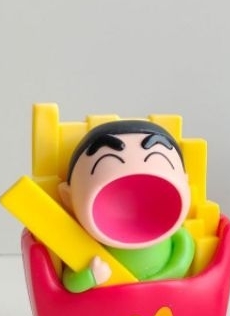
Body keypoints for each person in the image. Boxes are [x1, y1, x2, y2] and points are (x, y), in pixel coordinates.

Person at [57, 120, 195, 292]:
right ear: (68, 198)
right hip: (115, 306)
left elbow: (180, 265)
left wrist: (151, 284)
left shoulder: (179, 237)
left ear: (186, 184)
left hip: (165, 301)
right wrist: (91, 276)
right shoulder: (87, 245)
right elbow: (70, 283)